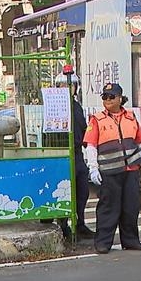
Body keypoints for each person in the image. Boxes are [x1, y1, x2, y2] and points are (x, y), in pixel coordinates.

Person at [83, 82, 141, 254]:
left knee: (130, 207)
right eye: (104, 97)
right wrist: (93, 168)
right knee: (108, 208)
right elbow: (90, 146)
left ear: (120, 99)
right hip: (109, 172)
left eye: (111, 97)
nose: (107, 100)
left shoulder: (131, 117)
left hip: (130, 171)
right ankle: (103, 243)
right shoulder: (97, 120)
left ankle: (130, 241)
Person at [54, 68, 96, 239]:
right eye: (63, 85)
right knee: (64, 190)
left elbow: (83, 129)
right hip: (61, 153)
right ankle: (63, 225)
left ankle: (80, 223)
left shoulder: (77, 106)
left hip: (78, 153)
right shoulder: (54, 107)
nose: (67, 88)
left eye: (71, 85)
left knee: (82, 190)